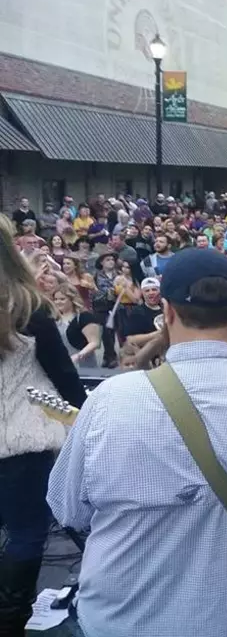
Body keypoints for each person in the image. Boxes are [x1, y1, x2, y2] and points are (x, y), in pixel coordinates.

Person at [47, 248, 227, 637]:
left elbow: (66, 508)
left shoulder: (108, 398)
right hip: (222, 622)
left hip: (110, 621)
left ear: (166, 310)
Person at [0, 215, 85, 635]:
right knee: (28, 531)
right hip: (23, 437)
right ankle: (11, 619)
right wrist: (85, 417)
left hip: (20, 429)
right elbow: (63, 377)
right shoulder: (27, 306)